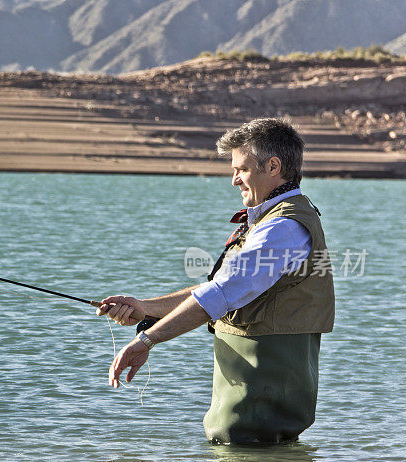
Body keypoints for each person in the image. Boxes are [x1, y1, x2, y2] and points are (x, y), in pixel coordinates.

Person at [97, 118, 334, 444]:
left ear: (273, 166)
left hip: (255, 419)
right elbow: (222, 287)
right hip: (254, 415)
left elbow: (220, 293)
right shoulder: (272, 220)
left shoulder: (281, 228)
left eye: (242, 169)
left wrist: (147, 340)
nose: (234, 180)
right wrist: (146, 308)